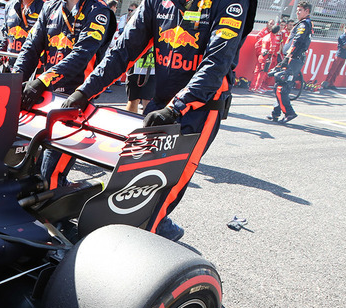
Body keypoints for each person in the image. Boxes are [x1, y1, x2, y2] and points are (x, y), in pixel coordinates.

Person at [61, 0, 255, 241]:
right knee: (133, 183)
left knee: (164, 190)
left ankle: (150, 238)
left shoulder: (230, 3)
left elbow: (216, 63)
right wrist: (83, 92)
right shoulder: (155, 2)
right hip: (161, 104)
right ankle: (146, 230)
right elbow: (123, 50)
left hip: (200, 110)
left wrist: (177, 107)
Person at [11, 0, 110, 188]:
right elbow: (30, 48)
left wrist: (42, 80)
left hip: (76, 101)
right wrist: (13, 81)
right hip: (46, 99)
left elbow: (82, 54)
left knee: (49, 175)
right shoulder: (50, 7)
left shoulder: (98, 10)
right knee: (25, 169)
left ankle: (57, 208)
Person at [267, 2, 312, 124]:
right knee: (279, 82)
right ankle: (275, 113)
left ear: (307, 11)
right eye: (297, 10)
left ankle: (289, 113)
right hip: (292, 57)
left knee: (282, 86)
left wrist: (288, 56)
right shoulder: (303, 23)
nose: (297, 12)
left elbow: (297, 41)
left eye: (300, 10)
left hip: (294, 58)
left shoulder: (304, 24)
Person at [250, 24, 280, 92]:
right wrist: (269, 57)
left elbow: (258, 44)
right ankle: (257, 87)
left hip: (261, 55)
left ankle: (252, 87)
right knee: (262, 72)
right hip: (266, 57)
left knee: (257, 71)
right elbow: (272, 49)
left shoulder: (266, 36)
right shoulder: (272, 38)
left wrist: (260, 53)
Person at [322, 24, 346, 89]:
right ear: (345, 29)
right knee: (333, 70)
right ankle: (326, 82)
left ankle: (331, 83)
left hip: (344, 56)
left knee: (337, 71)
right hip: (339, 55)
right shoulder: (342, 37)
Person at [125, 46, 154, 113]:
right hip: (135, 67)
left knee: (149, 102)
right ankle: (131, 122)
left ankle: (148, 123)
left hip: (153, 69)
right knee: (133, 100)